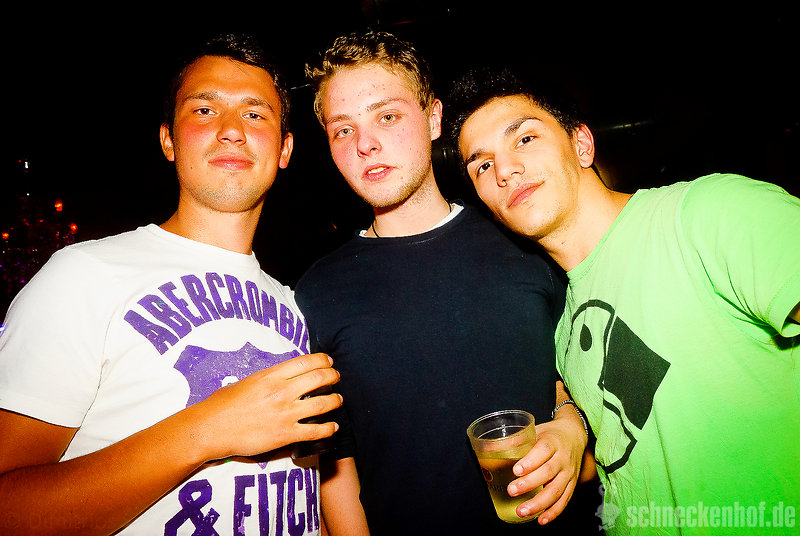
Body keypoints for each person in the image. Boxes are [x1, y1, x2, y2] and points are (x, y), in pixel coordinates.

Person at [0, 33, 351, 536]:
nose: (231, 131)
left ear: (284, 149)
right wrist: (206, 431)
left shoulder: (296, 305)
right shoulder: (83, 276)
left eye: (255, 114)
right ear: (168, 139)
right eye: (205, 110)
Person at [447, 66, 800, 535]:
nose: (505, 170)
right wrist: (569, 435)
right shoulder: (566, 331)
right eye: (483, 165)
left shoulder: (706, 215)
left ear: (582, 144)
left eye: (525, 139)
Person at [294, 31, 599, 534]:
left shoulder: (525, 245)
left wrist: (572, 425)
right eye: (343, 129)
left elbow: (583, 373)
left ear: (433, 118)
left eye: (387, 116)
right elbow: (335, 463)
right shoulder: (315, 292)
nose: (365, 144)